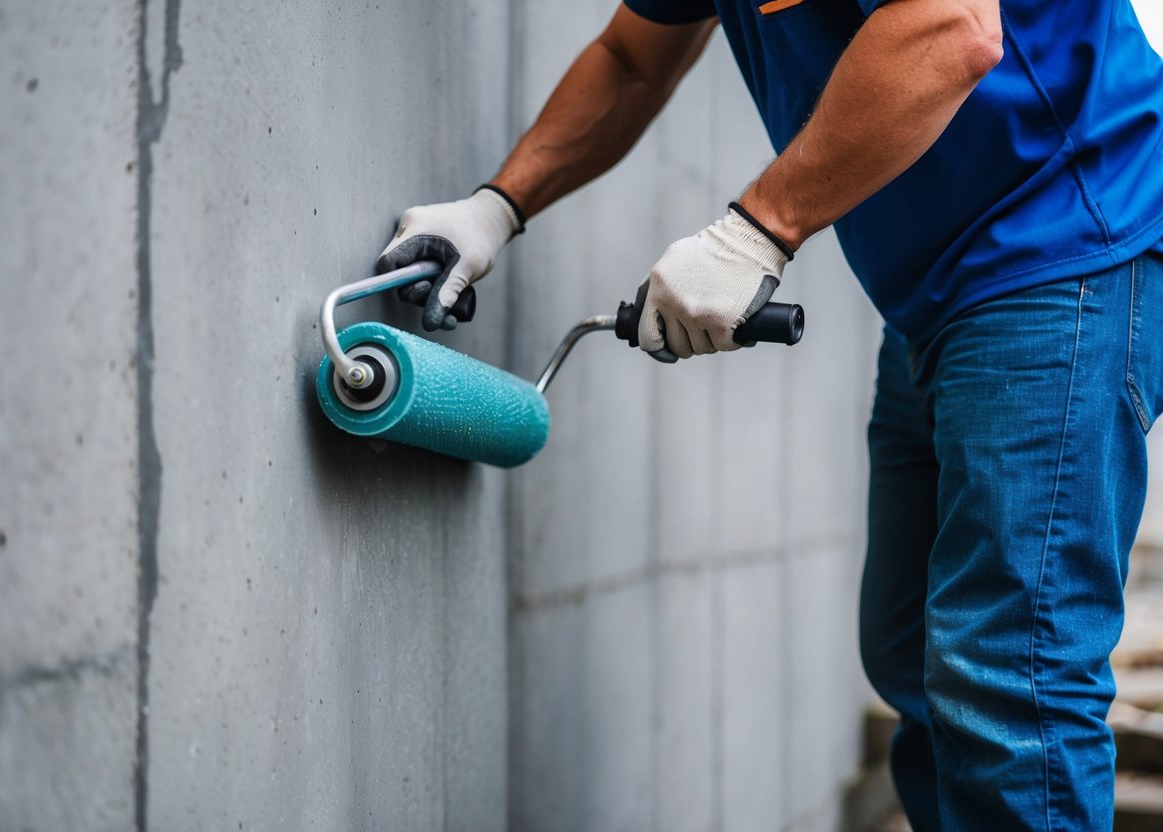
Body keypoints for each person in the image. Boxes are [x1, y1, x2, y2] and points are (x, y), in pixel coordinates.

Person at [376, 0, 1163, 828]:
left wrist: (753, 233)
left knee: (1008, 674)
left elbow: (951, 27)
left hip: (1062, 249)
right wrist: (497, 207)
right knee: (912, 653)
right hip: (935, 301)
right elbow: (632, 58)